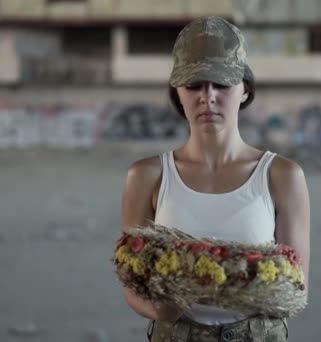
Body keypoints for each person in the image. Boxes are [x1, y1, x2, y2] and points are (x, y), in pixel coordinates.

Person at [120, 16, 310, 342]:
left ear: (244, 90)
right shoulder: (147, 175)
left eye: (221, 83)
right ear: (177, 93)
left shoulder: (281, 176)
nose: (208, 96)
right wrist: (162, 310)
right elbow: (131, 280)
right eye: (194, 85)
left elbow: (296, 287)